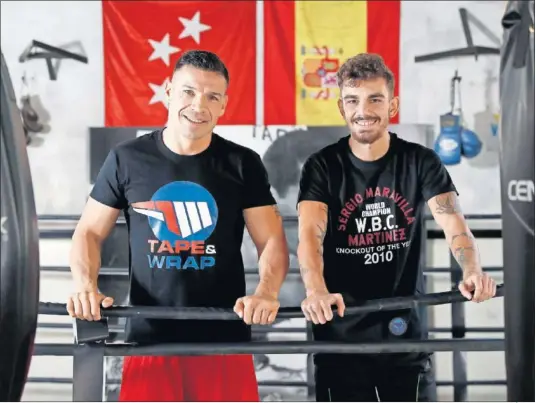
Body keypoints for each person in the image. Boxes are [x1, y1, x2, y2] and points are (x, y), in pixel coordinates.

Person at [66, 50, 289, 402]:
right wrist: (84, 286)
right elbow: (89, 232)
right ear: (168, 90)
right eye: (188, 91)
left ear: (223, 105)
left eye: (212, 96)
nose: (198, 105)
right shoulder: (126, 158)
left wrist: (267, 292)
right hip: (149, 337)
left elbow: (272, 239)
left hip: (223, 339)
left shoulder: (242, 163)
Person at [296, 53, 497, 402]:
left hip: (404, 333)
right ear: (342, 108)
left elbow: (454, 224)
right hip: (341, 334)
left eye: (375, 99)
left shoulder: (420, 161)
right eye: (353, 100)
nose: (364, 109)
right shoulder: (322, 166)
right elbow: (309, 236)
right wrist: (315, 290)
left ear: (392, 105)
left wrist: (472, 270)